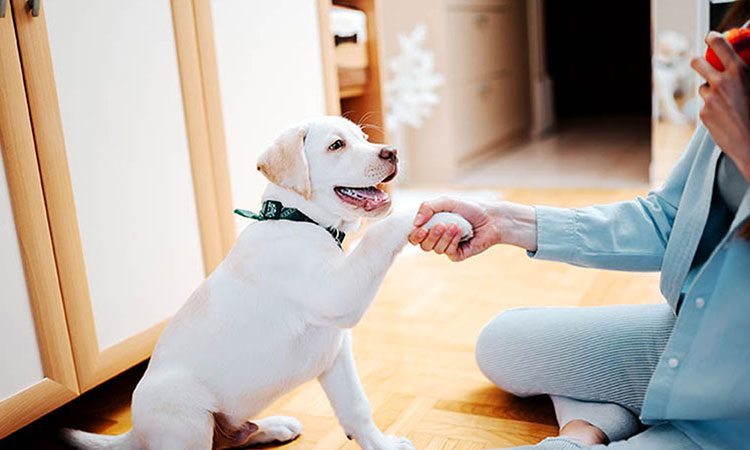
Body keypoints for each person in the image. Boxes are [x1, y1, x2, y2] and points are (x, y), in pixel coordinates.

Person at [408, 7, 750, 450]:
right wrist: (505, 222)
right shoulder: (738, 70)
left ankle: (581, 437)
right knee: (502, 343)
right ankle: (604, 423)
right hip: (699, 336)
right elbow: (669, 218)